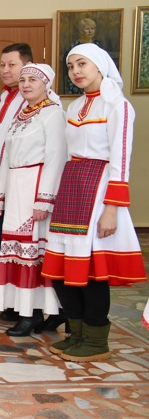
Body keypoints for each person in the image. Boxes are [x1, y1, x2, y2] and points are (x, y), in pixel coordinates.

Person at [43, 45, 146, 362]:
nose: (76, 71)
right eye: (71, 65)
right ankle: (77, 333)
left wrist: (112, 208)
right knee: (61, 269)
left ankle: (96, 337)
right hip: (73, 185)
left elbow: (121, 160)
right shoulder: (75, 108)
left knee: (89, 273)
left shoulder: (118, 106)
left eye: (82, 63)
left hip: (98, 190)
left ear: (100, 65)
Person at [0, 64, 65, 336]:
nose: (26, 84)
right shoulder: (21, 114)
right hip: (17, 189)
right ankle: (25, 308)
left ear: (46, 84)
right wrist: (0, 196)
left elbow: (56, 157)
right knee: (15, 250)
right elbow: (6, 158)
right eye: (22, 80)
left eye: (33, 79)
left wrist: (44, 200)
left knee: (33, 254)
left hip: (35, 188)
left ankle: (33, 313)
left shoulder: (52, 114)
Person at [0, 43, 32, 297]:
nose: (5, 70)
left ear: (27, 65)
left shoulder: (33, 98)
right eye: (2, 65)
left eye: (12, 64)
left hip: (17, 182)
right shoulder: (2, 97)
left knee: (12, 239)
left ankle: (13, 291)